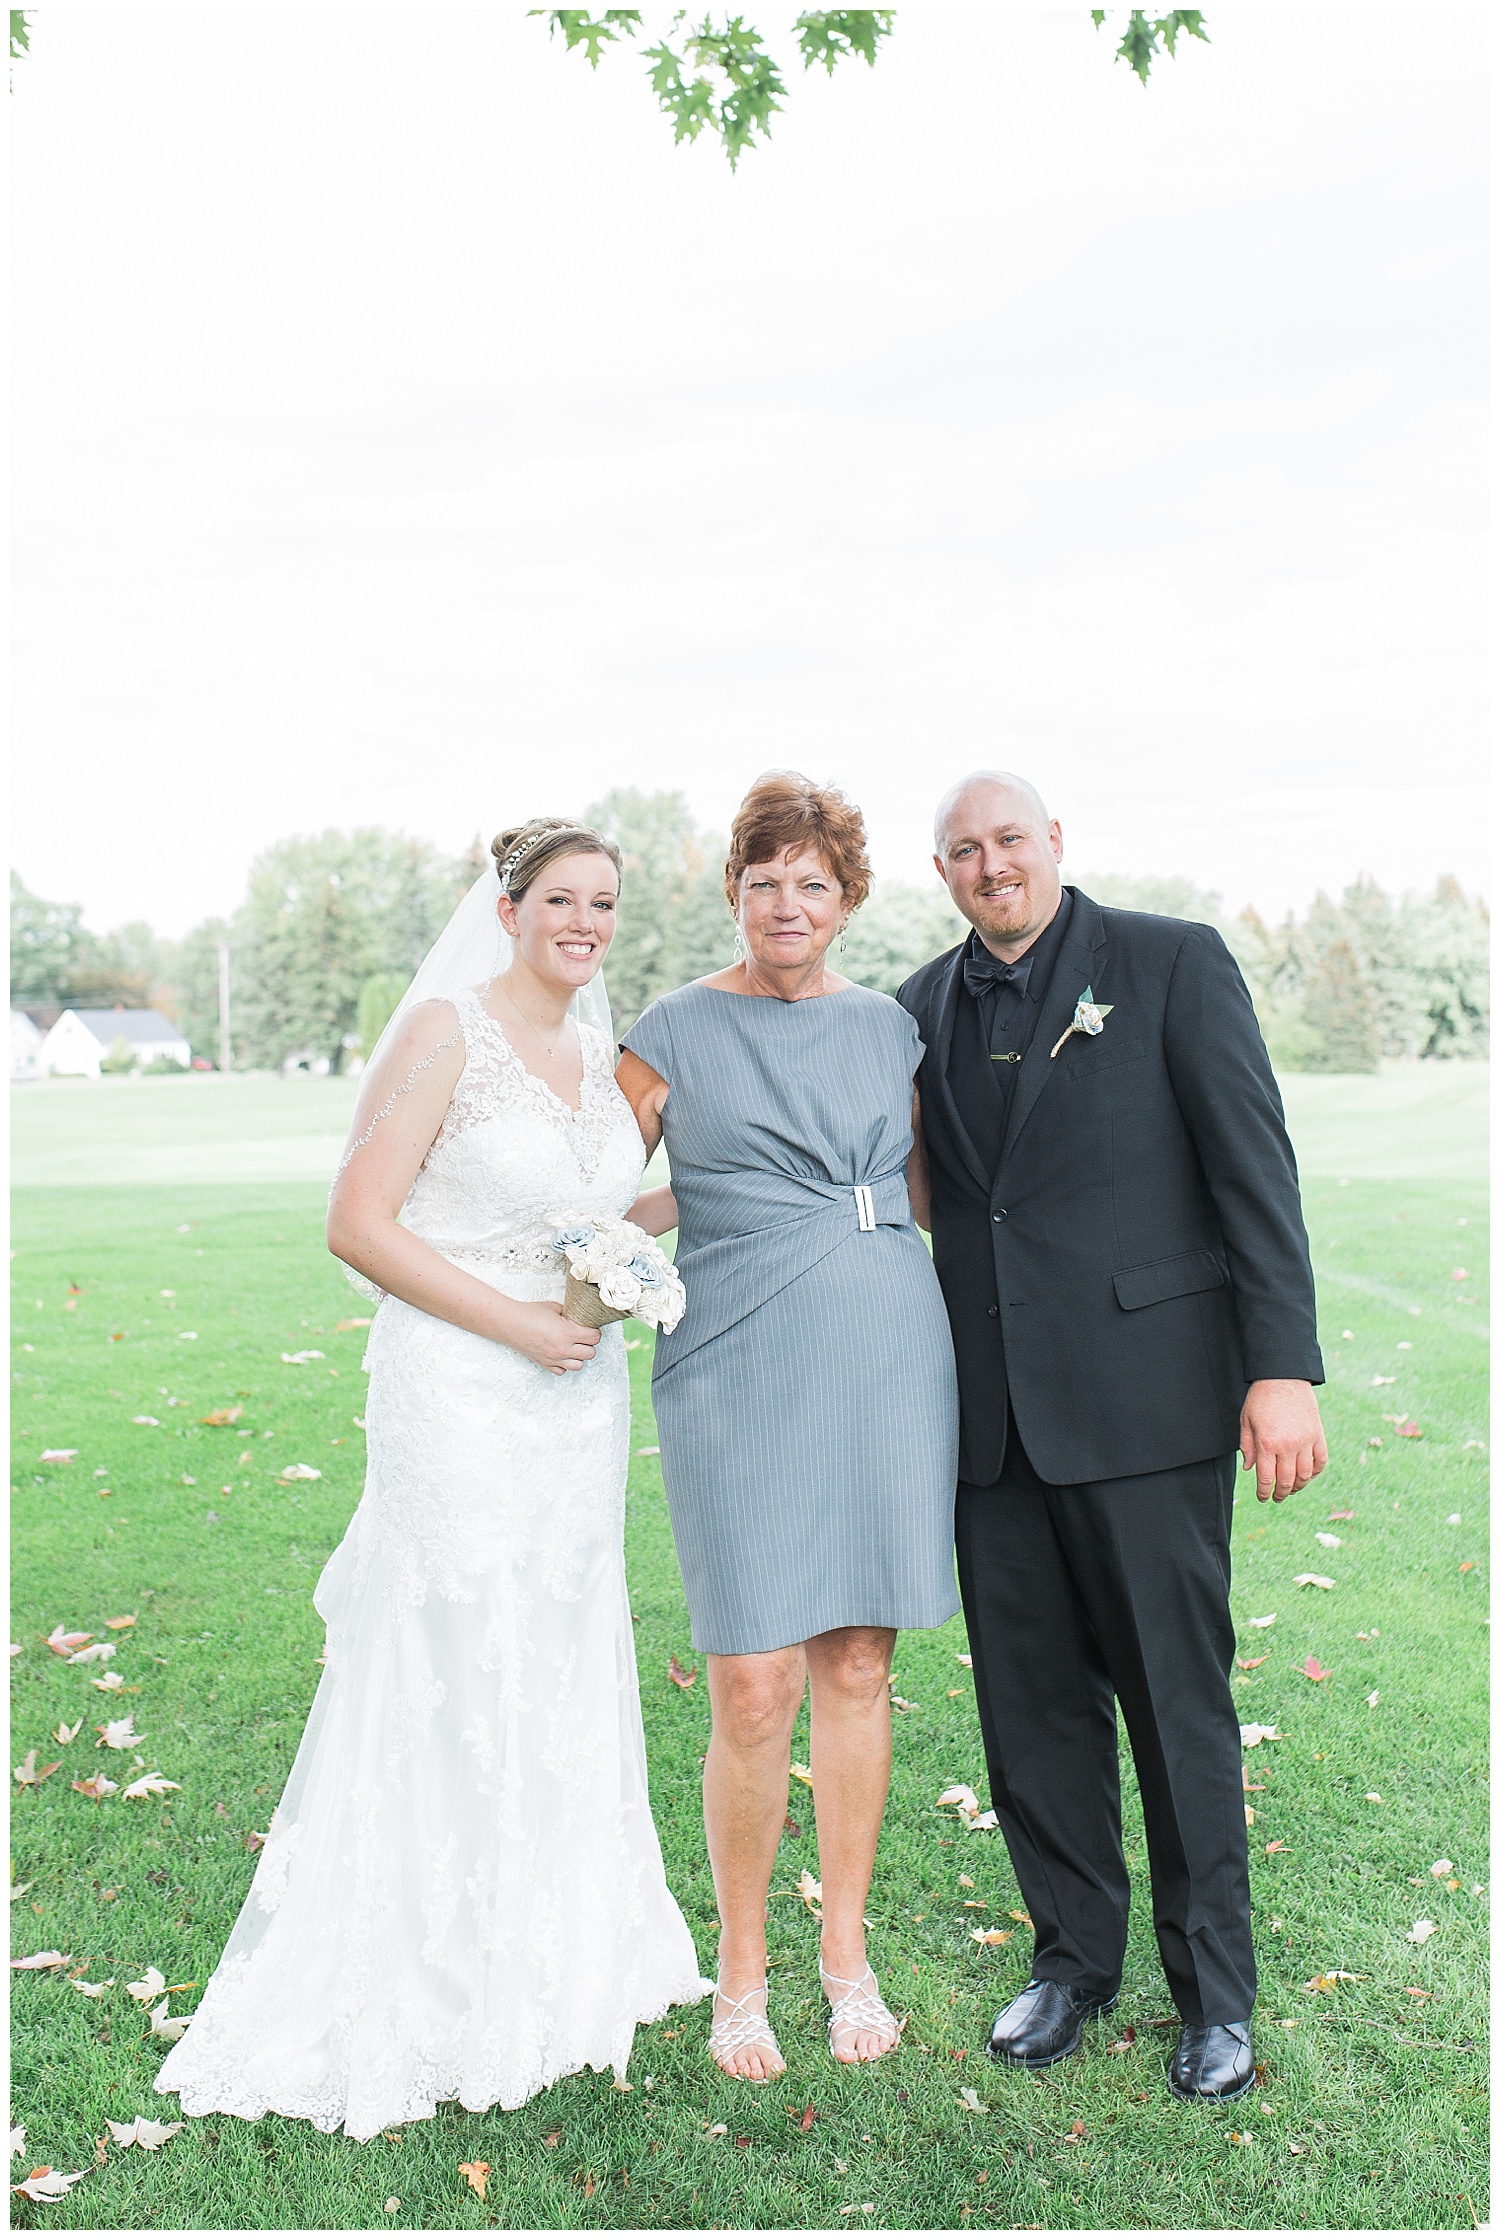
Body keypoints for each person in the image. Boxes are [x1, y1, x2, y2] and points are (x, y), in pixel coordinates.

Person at [155, 818, 709, 2141]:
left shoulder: (597, 1052)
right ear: (508, 910)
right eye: (563, 900)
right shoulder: (447, 1033)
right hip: (459, 1394)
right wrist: (516, 1323)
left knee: (556, 1647)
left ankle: (551, 1951)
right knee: (456, 1649)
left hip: (573, 1411)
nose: (586, 922)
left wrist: (657, 1232)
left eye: (606, 905)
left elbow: (585, 1215)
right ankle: (434, 1975)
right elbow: (358, 1222)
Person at [898, 770, 1327, 2106]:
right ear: (946, 872)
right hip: (991, 1427)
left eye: (1009, 840)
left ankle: (1216, 1997)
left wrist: (1282, 1371)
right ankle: (1072, 1961)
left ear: (1054, 845)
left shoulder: (1169, 963)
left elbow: (1255, 1170)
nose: (991, 866)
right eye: (964, 852)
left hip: (1150, 1405)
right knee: (1030, 1719)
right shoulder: (915, 1008)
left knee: (1176, 1709)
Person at [615, 772, 960, 2083]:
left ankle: (847, 1958)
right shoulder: (675, 1026)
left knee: (858, 1663)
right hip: (734, 1360)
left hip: (882, 1346)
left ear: (848, 899)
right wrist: (626, 1232)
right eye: (765, 880)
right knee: (752, 1680)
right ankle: (743, 1971)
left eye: (813, 882)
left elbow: (936, 1191)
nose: (787, 903)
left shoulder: (889, 1029)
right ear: (735, 893)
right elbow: (599, 1173)